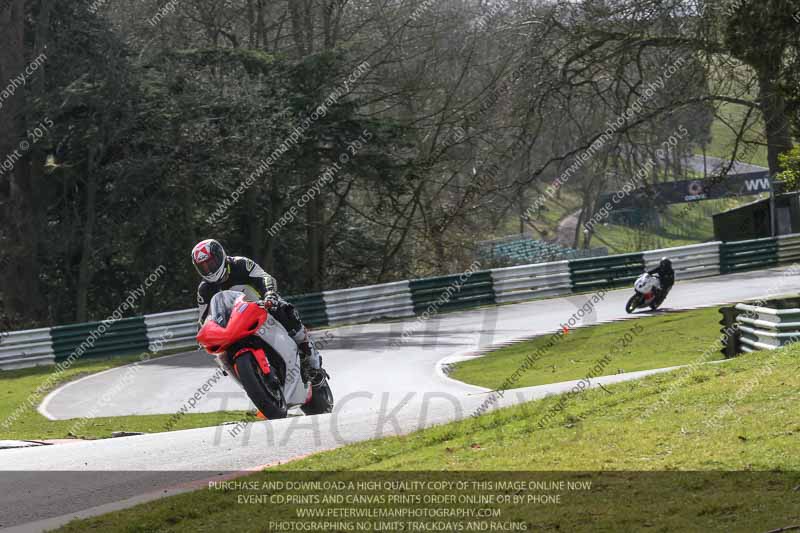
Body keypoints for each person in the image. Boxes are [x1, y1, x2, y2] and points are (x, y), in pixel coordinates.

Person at [191, 239, 329, 387]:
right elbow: (204, 317)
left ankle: (310, 355)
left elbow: (264, 277)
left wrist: (269, 293)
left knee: (284, 310)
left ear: (220, 256)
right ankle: (253, 387)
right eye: (203, 267)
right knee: (221, 356)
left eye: (210, 263)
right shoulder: (204, 290)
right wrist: (203, 335)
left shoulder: (240, 264)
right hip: (233, 324)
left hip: (261, 306)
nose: (208, 269)